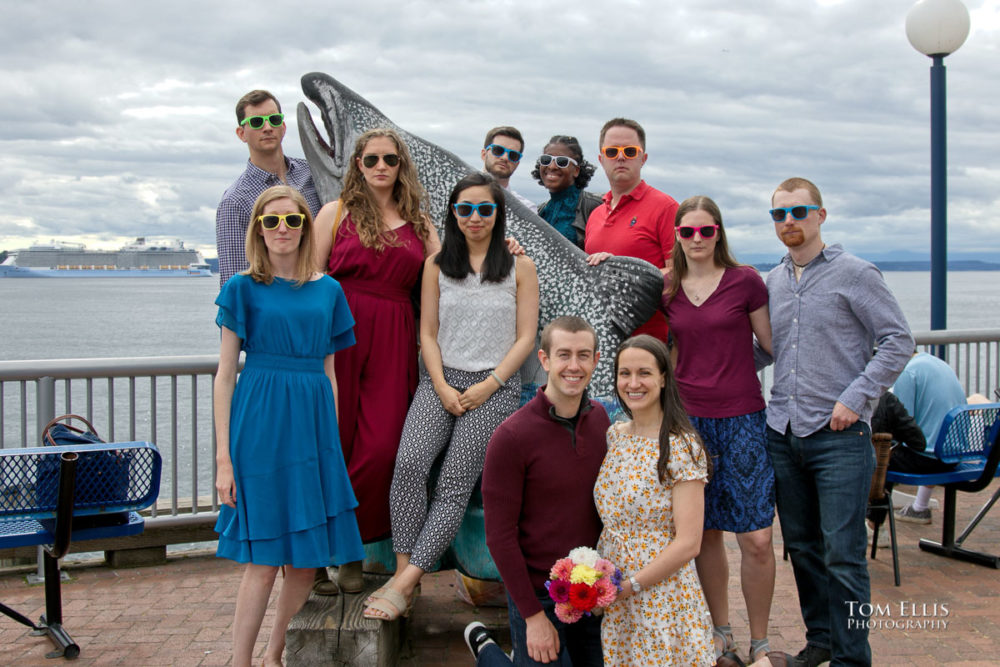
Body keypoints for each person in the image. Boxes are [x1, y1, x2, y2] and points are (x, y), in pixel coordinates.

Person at [363, 172, 539, 621]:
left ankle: (403, 583)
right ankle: (406, 574)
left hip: (494, 387)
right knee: (407, 467)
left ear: (499, 214)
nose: (475, 217)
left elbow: (525, 338)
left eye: (485, 208)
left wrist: (491, 384)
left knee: (453, 485)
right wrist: (440, 384)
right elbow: (427, 331)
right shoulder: (437, 265)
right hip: (440, 381)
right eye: (465, 209)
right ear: (453, 214)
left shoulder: (521, 267)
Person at [764, 177, 913, 666]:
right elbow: (764, 351)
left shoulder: (856, 273)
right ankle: (822, 640)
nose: (789, 222)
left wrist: (857, 397)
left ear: (821, 215)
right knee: (803, 549)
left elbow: (898, 340)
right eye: (779, 214)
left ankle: (852, 657)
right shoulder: (772, 281)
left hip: (840, 437)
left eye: (799, 212)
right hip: (783, 432)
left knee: (844, 555)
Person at [213, 185, 364, 667]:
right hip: (259, 423)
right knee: (262, 560)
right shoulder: (241, 287)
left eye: (292, 221)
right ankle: (239, 662)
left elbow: (331, 373)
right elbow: (223, 374)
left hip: (313, 424)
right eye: (272, 221)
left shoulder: (329, 290)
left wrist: (333, 446)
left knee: (304, 561)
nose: (282, 229)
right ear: (258, 227)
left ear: (305, 226)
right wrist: (223, 458)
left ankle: (276, 654)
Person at [312, 128, 441, 593]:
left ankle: (352, 543)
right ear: (358, 165)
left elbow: (453, 277)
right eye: (371, 160)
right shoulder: (335, 212)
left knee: (383, 448)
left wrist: (508, 250)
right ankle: (326, 559)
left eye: (390, 159)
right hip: (338, 335)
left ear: (401, 165)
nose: (381, 167)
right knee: (332, 441)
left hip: (394, 335)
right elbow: (311, 278)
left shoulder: (422, 224)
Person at [661, 196, 775, 664]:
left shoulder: (745, 281)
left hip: (744, 418)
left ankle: (762, 642)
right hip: (689, 424)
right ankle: (721, 632)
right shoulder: (667, 287)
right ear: (678, 237)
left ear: (719, 233)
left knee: (757, 537)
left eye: (706, 231)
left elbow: (768, 346)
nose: (697, 240)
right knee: (704, 532)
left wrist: (732, 373)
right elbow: (663, 349)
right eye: (687, 232)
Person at [465, 315, 609, 666]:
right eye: (563, 355)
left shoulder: (602, 421)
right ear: (544, 360)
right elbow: (499, 536)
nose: (573, 366)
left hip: (591, 589)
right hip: (539, 593)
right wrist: (532, 617)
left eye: (583, 355)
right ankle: (488, 650)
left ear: (596, 360)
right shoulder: (512, 437)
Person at [595, 335, 714, 666]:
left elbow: (690, 542)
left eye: (644, 373)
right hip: (618, 594)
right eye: (625, 373)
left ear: (663, 378)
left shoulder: (681, 447)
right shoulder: (615, 436)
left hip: (662, 593)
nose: (633, 383)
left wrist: (633, 585)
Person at [583, 118, 678, 343]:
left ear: (643, 158)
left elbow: (680, 274)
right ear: (601, 159)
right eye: (612, 151)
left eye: (630, 151)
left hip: (649, 344)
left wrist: (620, 272)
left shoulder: (666, 208)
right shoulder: (595, 215)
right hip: (600, 342)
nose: (621, 157)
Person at [216, 89, 322, 286]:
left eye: (274, 119)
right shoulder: (235, 201)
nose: (267, 127)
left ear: (283, 126)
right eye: (256, 122)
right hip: (273, 306)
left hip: (321, 299)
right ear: (241, 133)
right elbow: (233, 283)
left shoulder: (313, 174)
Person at [891, 351, 967, 523]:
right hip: (952, 457)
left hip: (929, 461)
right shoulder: (938, 364)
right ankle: (920, 507)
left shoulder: (907, 373)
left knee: (873, 458)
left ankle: (874, 525)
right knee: (928, 437)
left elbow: (900, 426)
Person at [531, 135, 603, 249]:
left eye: (562, 161)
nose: (552, 166)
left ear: (576, 170)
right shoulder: (539, 211)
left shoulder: (595, 207)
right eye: (546, 160)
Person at [482, 126, 538, 213]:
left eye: (513, 155)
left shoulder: (527, 209)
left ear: (517, 163)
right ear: (484, 154)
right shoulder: (457, 193)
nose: (505, 157)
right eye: (498, 150)